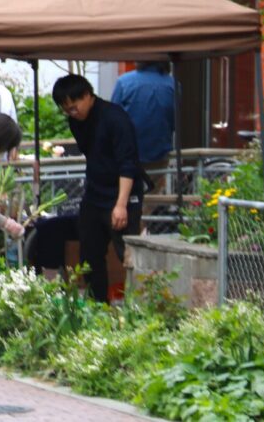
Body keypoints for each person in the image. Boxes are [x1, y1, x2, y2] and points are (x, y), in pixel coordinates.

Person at [53, 73, 144, 303]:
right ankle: (98, 307)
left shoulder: (115, 118)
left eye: (74, 107)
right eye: (66, 110)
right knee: (89, 255)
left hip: (122, 194)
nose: (72, 114)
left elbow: (128, 163)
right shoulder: (76, 122)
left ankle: (139, 306)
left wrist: (121, 205)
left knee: (128, 254)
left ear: (87, 95)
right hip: (94, 194)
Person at [111, 62, 175, 193]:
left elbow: (112, 118)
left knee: (125, 192)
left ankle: (130, 211)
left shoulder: (124, 81)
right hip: (160, 148)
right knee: (154, 190)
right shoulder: (173, 84)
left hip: (127, 151)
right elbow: (175, 118)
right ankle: (146, 212)